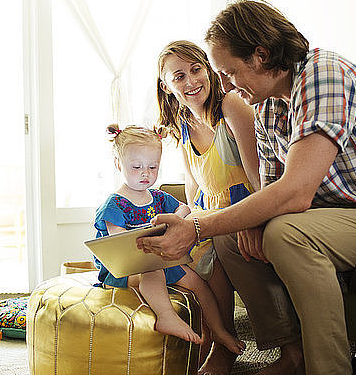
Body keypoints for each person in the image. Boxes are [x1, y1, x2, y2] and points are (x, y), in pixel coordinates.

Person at [138, 0, 356, 375]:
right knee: (233, 238)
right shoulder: (267, 107)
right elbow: (270, 189)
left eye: (229, 72)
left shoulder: (324, 75)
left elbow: (294, 192)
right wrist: (242, 221)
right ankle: (290, 352)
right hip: (337, 216)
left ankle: (327, 368)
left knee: (285, 234)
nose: (226, 85)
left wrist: (199, 226)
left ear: (261, 56)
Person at [93, 123, 245, 356]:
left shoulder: (158, 197)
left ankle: (219, 331)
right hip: (125, 270)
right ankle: (166, 317)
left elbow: (184, 208)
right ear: (118, 164)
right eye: (136, 167)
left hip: (162, 261)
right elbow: (120, 246)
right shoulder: (114, 204)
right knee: (151, 270)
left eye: (152, 167)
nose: (146, 173)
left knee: (197, 282)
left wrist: (176, 218)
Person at [156, 40, 259, 374]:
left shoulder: (231, 106)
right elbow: (193, 185)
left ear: (209, 68)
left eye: (196, 69)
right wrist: (183, 217)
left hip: (242, 205)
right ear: (167, 86)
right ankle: (207, 333)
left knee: (206, 246)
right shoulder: (183, 123)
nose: (191, 82)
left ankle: (222, 344)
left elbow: (258, 173)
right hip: (207, 208)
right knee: (176, 246)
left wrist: (257, 218)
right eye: (179, 76)